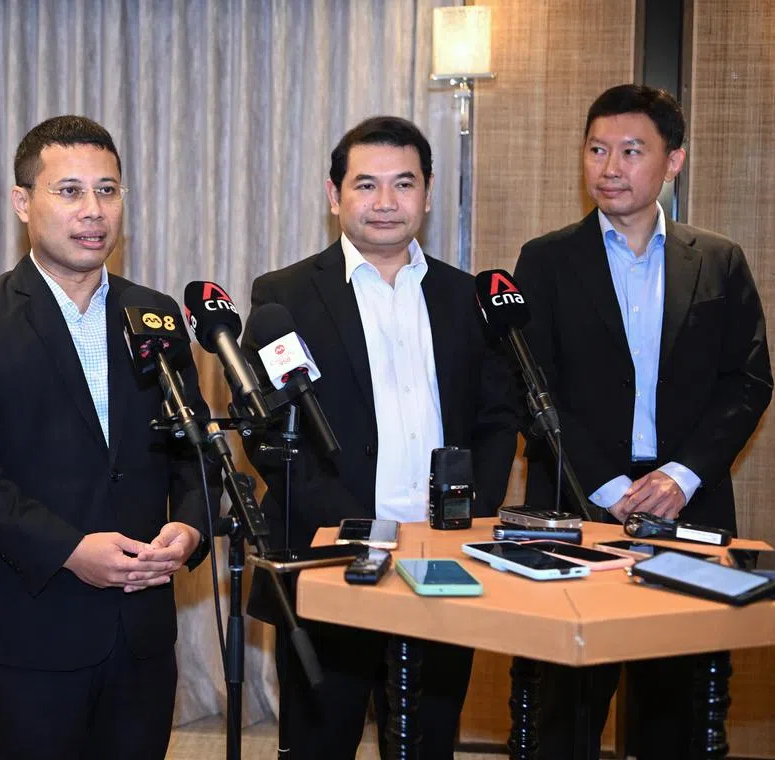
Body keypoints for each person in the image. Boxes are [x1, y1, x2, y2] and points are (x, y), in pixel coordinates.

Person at [0, 115, 213, 760]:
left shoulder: (153, 314)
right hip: (33, 623)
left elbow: (195, 454)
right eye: (70, 191)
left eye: (108, 191)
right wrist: (71, 548)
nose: (93, 211)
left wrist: (189, 529)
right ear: (23, 202)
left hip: (140, 629)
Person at [244, 116, 519, 759]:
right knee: (321, 741)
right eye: (366, 184)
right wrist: (338, 527)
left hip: (443, 557)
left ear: (427, 194)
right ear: (333, 195)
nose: (386, 202)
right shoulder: (284, 296)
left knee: (429, 741)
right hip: (333, 558)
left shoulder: (466, 296)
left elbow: (496, 420)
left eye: (404, 183)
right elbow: (266, 430)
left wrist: (470, 518)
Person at [514, 84, 772, 759]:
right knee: (563, 714)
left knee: (678, 710)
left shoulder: (718, 259)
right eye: (597, 149)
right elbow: (528, 384)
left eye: (631, 151)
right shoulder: (545, 260)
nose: (609, 168)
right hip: (578, 506)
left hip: (689, 506)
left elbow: (749, 381)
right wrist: (603, 486)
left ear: (674, 160)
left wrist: (680, 477)